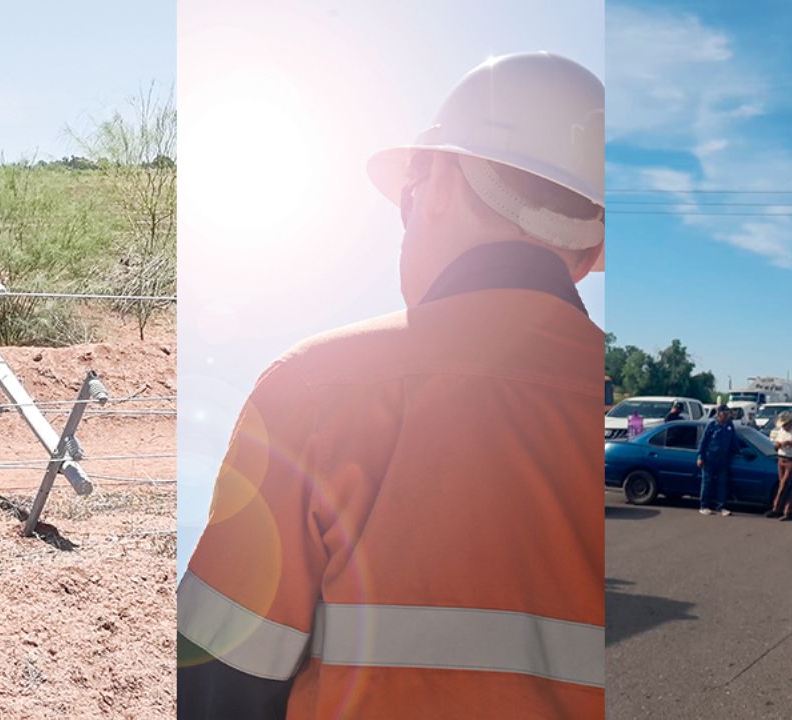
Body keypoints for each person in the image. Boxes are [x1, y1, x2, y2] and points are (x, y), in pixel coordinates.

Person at [176, 52, 606, 719]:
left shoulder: (313, 392)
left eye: (406, 197)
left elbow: (215, 687)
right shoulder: (624, 411)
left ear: (434, 181)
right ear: (591, 254)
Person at [697, 404, 743, 517]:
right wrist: (700, 457)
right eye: (724, 414)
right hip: (709, 458)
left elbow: (733, 440)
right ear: (718, 414)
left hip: (723, 459)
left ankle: (721, 507)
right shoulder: (711, 424)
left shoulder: (729, 424)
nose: (726, 416)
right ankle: (704, 506)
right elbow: (703, 442)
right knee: (707, 482)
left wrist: (739, 452)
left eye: (728, 414)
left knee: (722, 483)